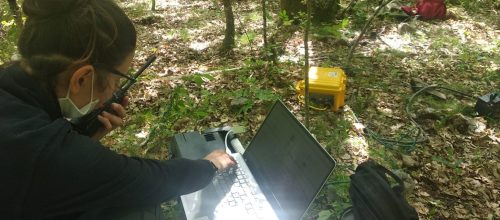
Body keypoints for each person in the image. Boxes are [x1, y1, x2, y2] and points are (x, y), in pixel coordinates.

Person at [0, 0, 235, 219]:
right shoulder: (48, 153)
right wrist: (209, 165)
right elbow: (144, 181)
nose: (115, 90)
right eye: (117, 80)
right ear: (82, 79)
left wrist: (80, 137)